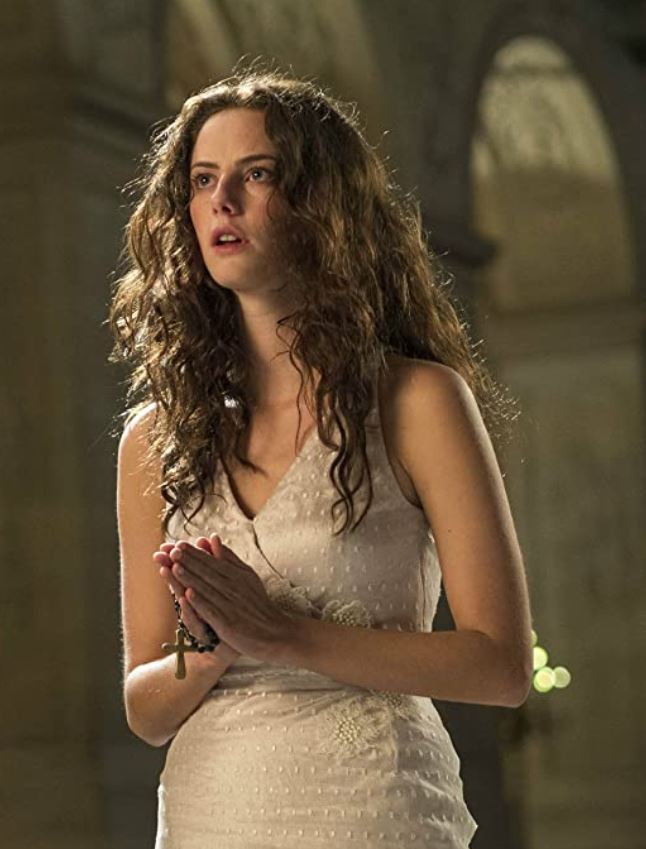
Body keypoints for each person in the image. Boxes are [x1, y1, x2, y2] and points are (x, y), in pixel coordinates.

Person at [110, 62, 533, 849]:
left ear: (321, 203)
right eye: (202, 180)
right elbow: (146, 708)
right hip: (210, 816)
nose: (222, 201)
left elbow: (502, 666)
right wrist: (211, 645)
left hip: (374, 812)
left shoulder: (418, 402)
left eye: (256, 174)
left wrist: (281, 632)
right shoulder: (154, 440)